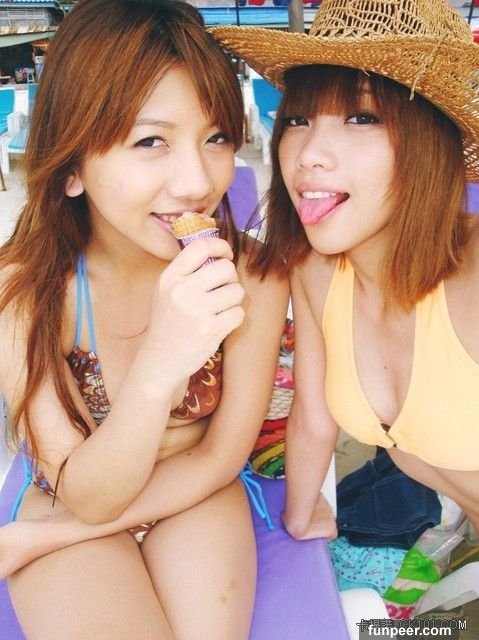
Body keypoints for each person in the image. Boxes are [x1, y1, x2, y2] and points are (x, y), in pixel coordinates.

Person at [0, 0, 289, 638]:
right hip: (71, 492)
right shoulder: (26, 290)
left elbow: (220, 456)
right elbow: (86, 492)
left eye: (217, 137)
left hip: (194, 493)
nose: (196, 182)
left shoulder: (252, 276)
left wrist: (39, 539)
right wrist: (162, 363)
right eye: (150, 141)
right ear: (71, 168)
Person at [210, 0, 479, 541]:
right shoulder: (315, 270)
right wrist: (299, 516)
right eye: (297, 119)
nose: (308, 153)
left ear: (433, 138)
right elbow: (313, 415)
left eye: (362, 117)